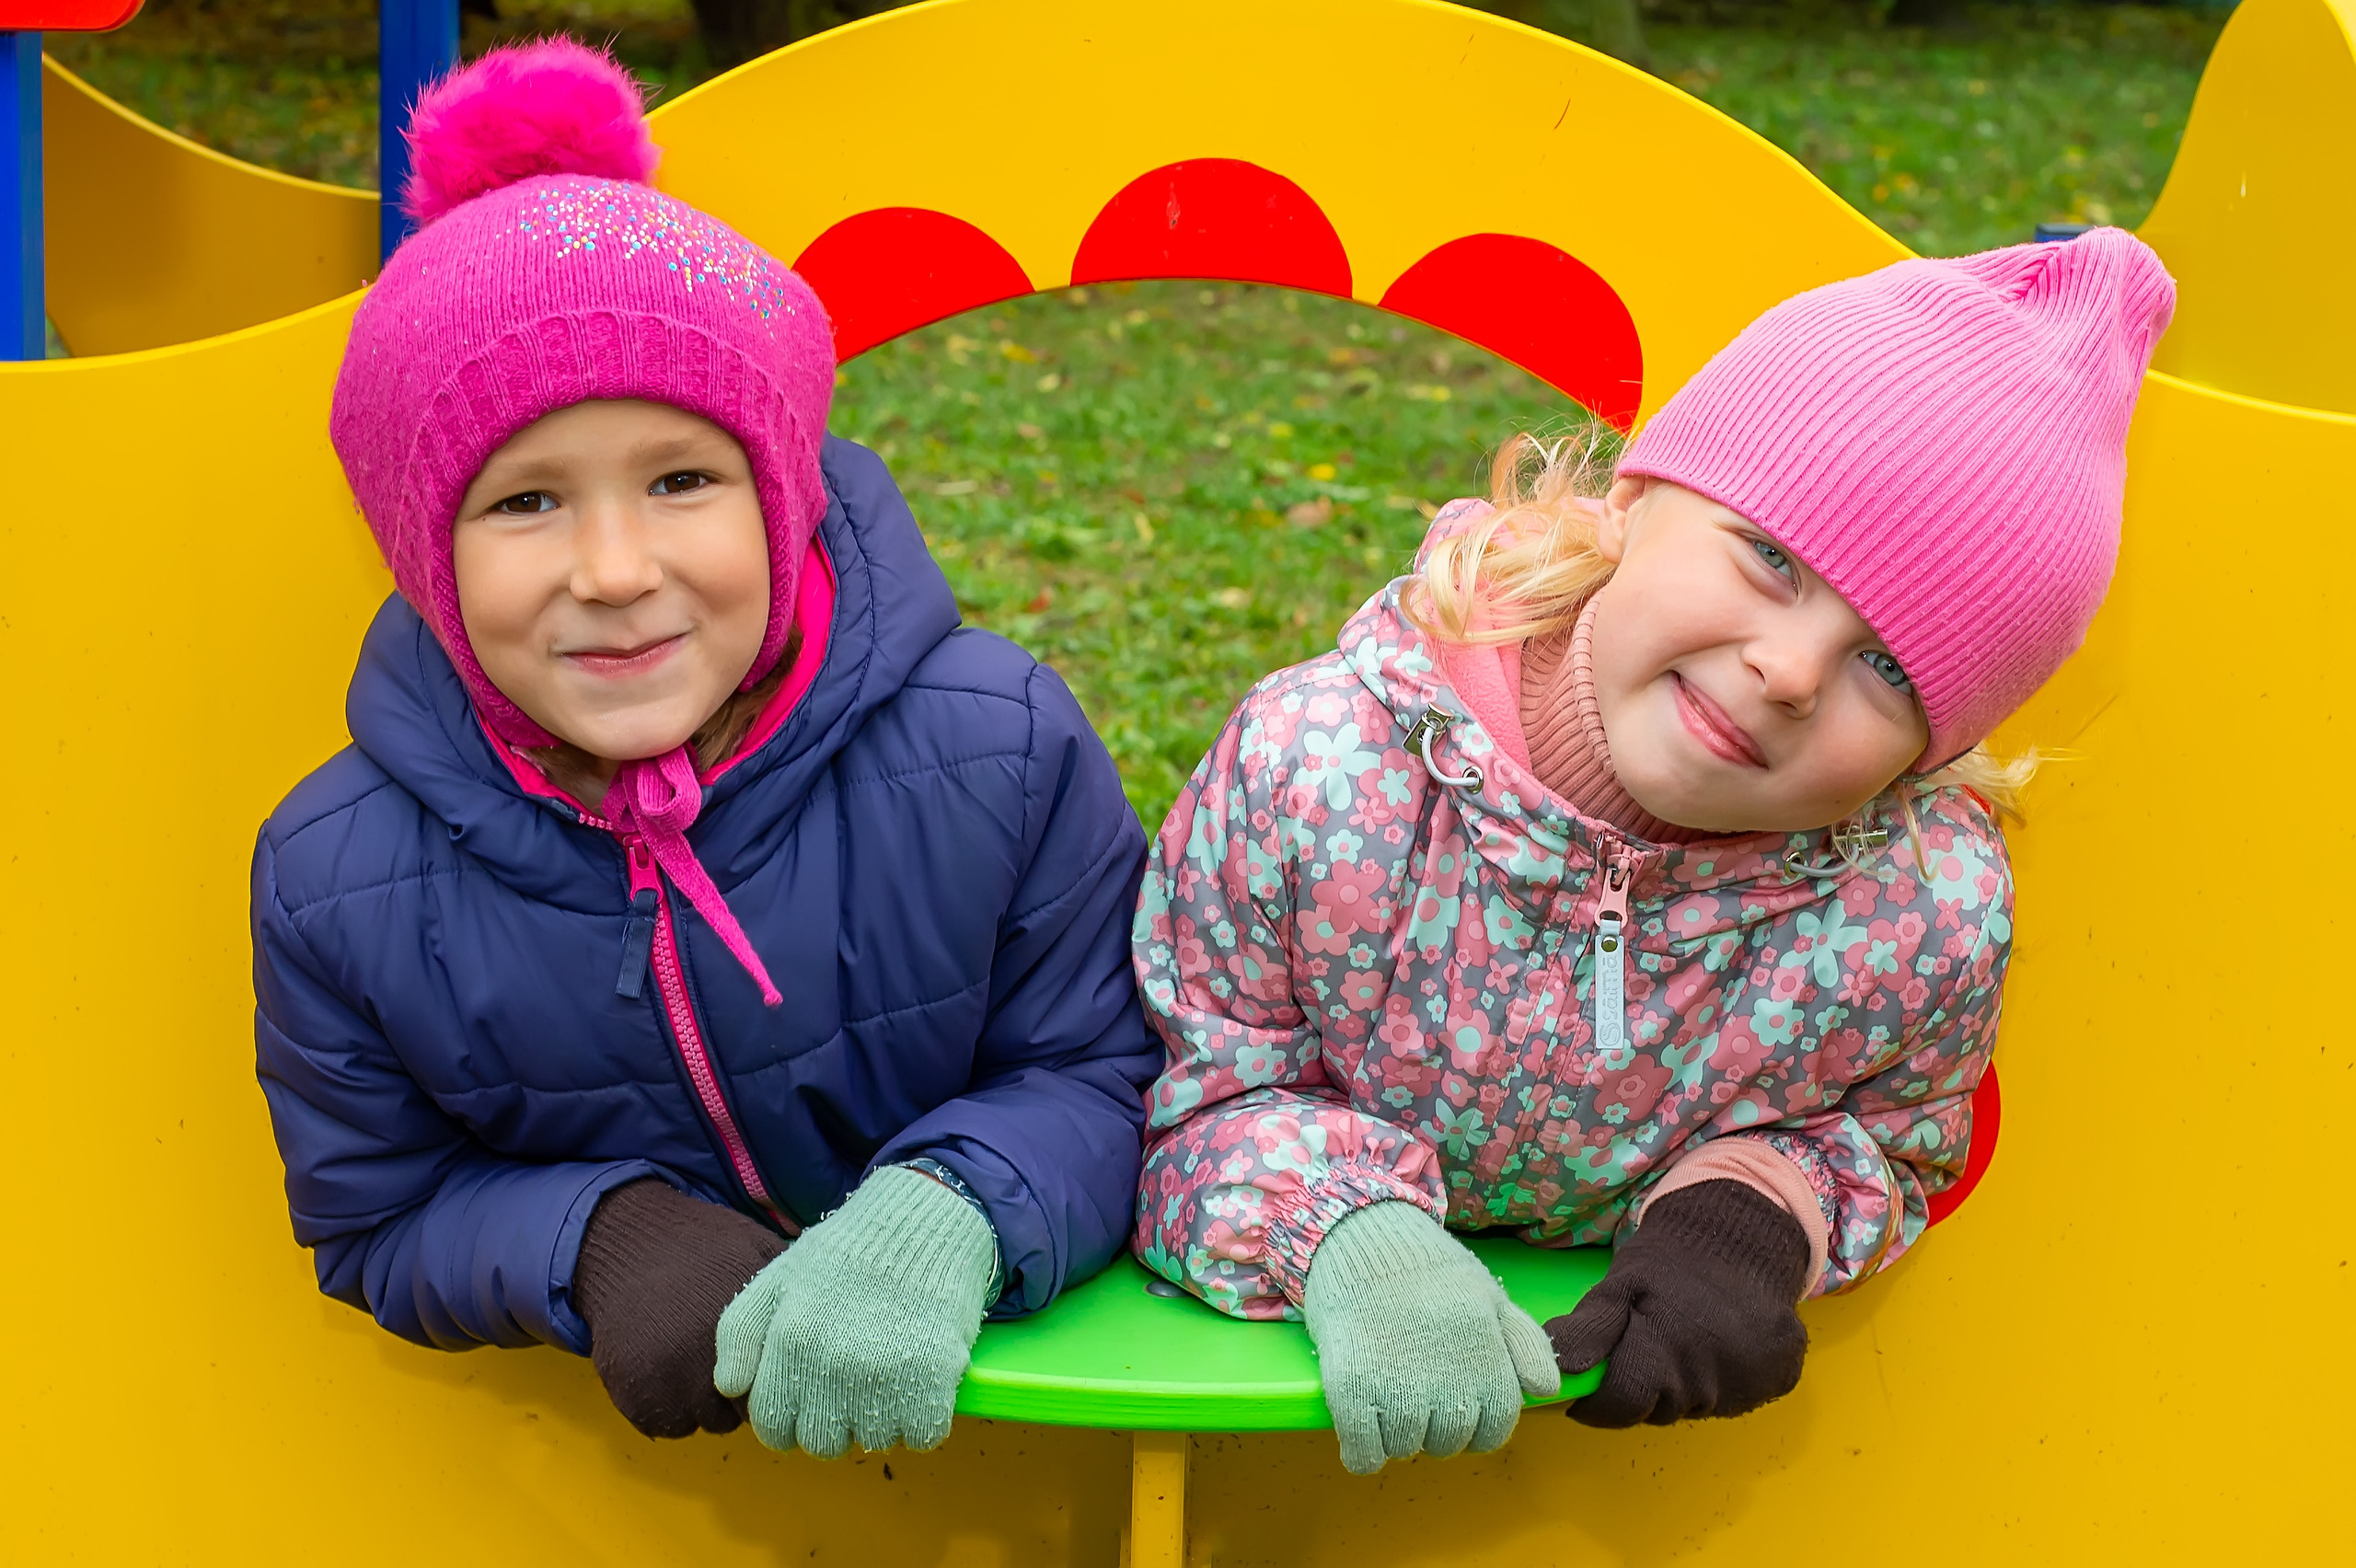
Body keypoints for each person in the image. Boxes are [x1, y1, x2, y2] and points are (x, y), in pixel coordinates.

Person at [1131, 231, 2174, 1472]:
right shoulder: (1321, 767)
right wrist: (1351, 1238)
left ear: (1930, 752)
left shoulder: (1919, 909)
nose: (1787, 672)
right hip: (1305, 1428)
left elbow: (1890, 1139)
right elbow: (1187, 1090)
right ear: (1633, 496)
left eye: (1888, 668)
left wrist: (1746, 1218)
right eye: (1772, 559)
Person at [252, 40, 1155, 1459]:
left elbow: (1112, 1068)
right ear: (425, 556)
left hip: (1015, 1457)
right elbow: (381, 1210)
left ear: (783, 493)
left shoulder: (1002, 747)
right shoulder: (335, 881)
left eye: (682, 480)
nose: (613, 570)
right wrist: (599, 1238)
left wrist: (953, 1211)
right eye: (525, 502)